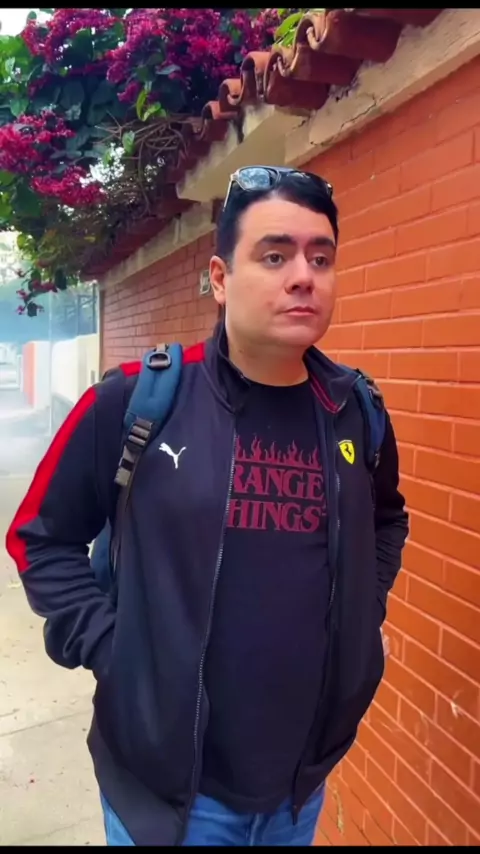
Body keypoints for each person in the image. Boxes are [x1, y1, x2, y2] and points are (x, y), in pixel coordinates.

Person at [6, 166, 408, 846]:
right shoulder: (136, 401)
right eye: (274, 256)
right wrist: (111, 649)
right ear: (220, 279)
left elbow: (387, 519)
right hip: (167, 796)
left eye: (321, 258)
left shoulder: (355, 412)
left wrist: (361, 617)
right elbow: (38, 537)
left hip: (297, 792)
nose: (303, 277)